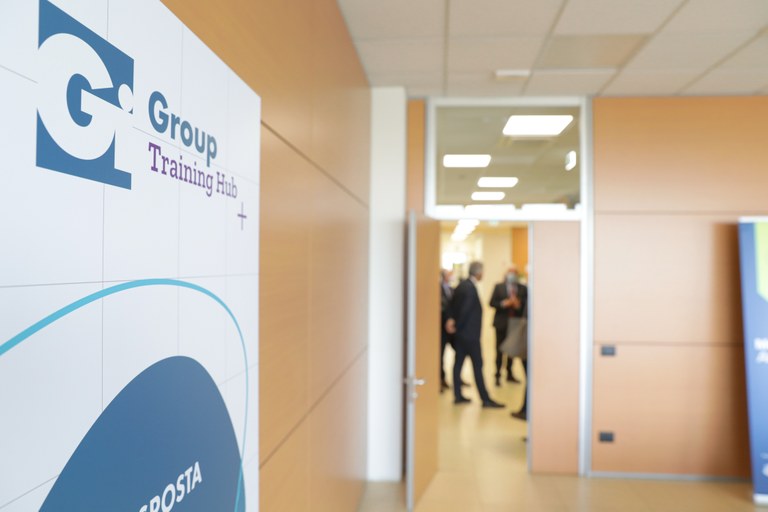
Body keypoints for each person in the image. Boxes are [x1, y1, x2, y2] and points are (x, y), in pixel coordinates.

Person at [445, 261, 504, 408]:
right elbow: (464, 312)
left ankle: (458, 396)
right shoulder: (470, 288)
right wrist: (458, 326)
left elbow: (452, 305)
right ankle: (485, 399)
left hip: (462, 334)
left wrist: (453, 322)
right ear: (478, 272)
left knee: (458, 364)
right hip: (469, 336)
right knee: (478, 365)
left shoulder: (462, 285)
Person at [489, 265, 527, 387]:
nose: (512, 275)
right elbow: (491, 302)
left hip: (515, 324)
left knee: (511, 351)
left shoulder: (522, 288)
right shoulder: (498, 287)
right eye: (510, 272)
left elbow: (526, 306)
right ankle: (497, 375)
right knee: (499, 350)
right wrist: (504, 303)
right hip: (501, 324)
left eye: (514, 273)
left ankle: (509, 374)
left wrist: (517, 305)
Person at [440, 269, 454, 392]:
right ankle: (440, 379)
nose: (451, 277)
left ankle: (455, 379)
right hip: (441, 327)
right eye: (449, 275)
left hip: (452, 328)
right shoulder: (437, 289)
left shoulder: (451, 289)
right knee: (440, 355)